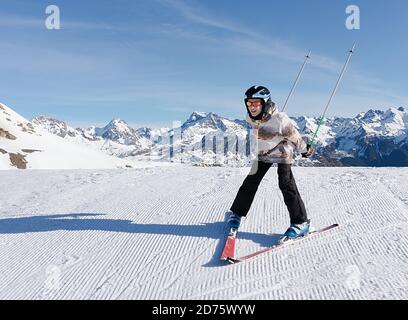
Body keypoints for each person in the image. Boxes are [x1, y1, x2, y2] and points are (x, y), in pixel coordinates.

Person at [227, 85, 314, 243]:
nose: (252, 107)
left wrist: (304, 150)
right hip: (263, 152)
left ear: (265, 102)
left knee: (286, 183)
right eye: (249, 103)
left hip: (282, 151)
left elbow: (296, 138)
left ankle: (301, 222)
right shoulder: (251, 117)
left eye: (256, 103)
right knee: (251, 181)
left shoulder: (280, 120)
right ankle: (238, 212)